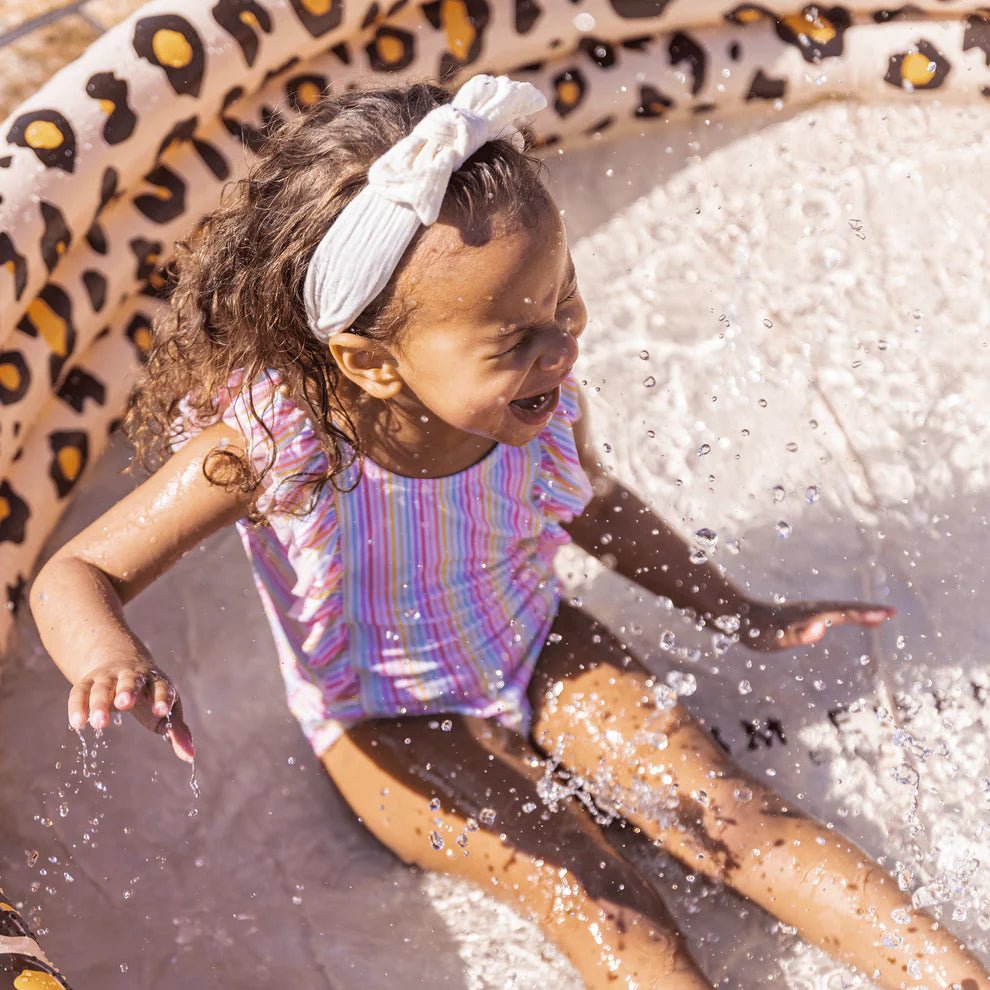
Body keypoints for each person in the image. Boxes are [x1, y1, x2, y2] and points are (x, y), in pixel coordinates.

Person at [29, 73, 987, 990]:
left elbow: (595, 507)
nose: (562, 347)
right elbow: (76, 572)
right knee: (601, 898)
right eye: (515, 338)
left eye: (563, 299)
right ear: (370, 362)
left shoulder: (536, 404)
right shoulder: (276, 442)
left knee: (731, 815)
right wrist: (110, 656)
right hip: (383, 721)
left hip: (534, 643)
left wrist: (734, 608)